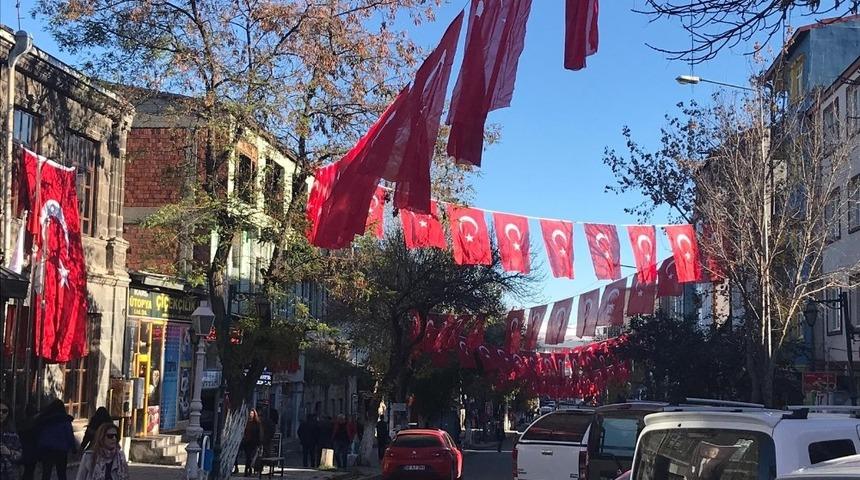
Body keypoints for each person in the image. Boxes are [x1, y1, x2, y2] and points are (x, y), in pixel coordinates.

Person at [36, 399, 76, 480]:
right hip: (61, 450)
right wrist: (73, 448)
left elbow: (40, 434)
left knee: (46, 473)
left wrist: (39, 448)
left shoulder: (46, 420)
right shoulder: (65, 420)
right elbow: (69, 435)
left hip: (47, 449)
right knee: (61, 473)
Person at [0, 401, 22, 480]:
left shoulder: (12, 433)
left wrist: (9, 452)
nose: (1, 413)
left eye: (4, 411)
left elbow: (19, 454)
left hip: (8, 474)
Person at [18, 402, 39, 480]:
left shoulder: (21, 423)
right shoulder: (35, 424)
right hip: (32, 451)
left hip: (23, 449)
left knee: (26, 471)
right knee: (29, 471)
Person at [239, 409, 262, 476]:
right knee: (248, 456)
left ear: (254, 415)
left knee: (250, 457)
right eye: (249, 414)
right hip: (246, 442)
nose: (250, 415)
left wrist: (259, 443)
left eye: (252, 414)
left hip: (253, 442)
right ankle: (248, 470)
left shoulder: (257, 423)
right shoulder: (246, 423)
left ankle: (248, 470)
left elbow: (259, 434)